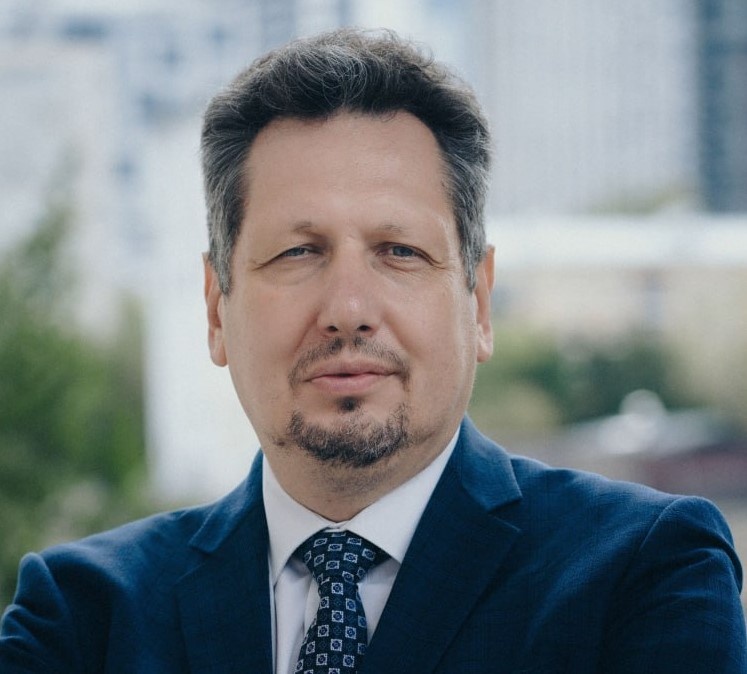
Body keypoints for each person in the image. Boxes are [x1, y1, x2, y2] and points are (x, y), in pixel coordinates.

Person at [1, 28, 745, 674]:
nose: (348, 312)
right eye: (297, 252)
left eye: (399, 251)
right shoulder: (83, 616)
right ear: (215, 308)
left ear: (479, 302)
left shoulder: (641, 572)